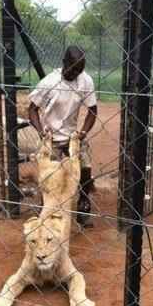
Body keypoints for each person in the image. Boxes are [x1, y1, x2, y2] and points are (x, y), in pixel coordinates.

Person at [28, 46, 98, 226]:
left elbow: (92, 110)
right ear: (64, 62)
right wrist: (41, 131)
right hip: (51, 137)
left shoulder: (85, 81)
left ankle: (83, 204)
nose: (75, 74)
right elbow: (32, 109)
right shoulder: (49, 82)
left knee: (85, 169)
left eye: (79, 70)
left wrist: (83, 133)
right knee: (50, 177)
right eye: (73, 69)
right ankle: (45, 207)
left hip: (73, 136)